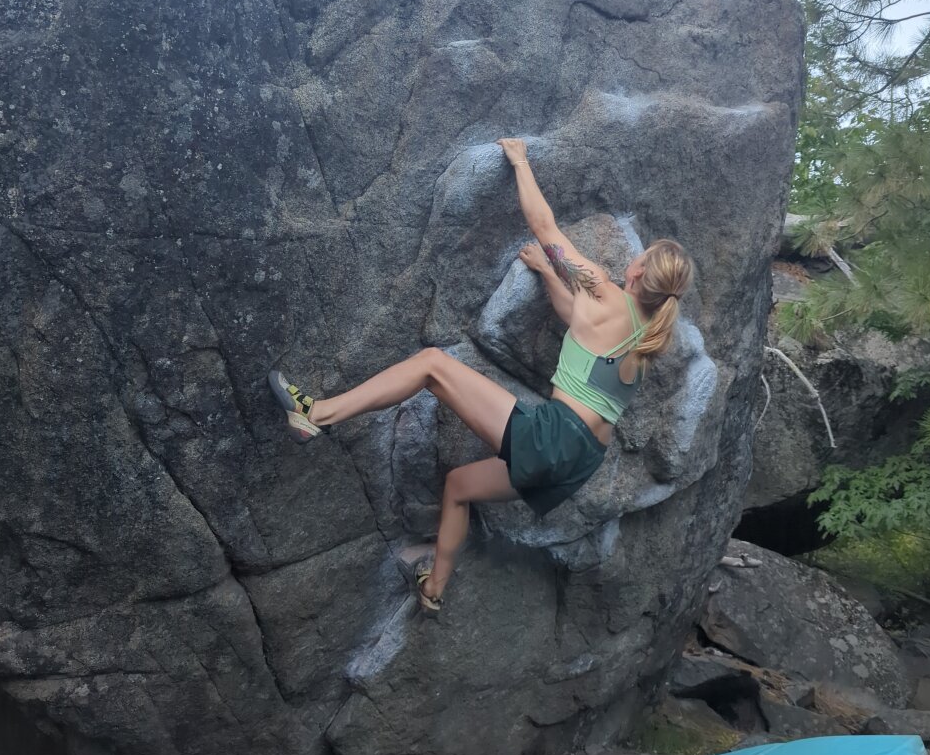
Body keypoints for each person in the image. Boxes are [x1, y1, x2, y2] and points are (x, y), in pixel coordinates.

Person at [268, 139, 693, 616]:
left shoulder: (603, 290)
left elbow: (544, 226)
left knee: (432, 364)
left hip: (552, 438)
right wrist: (547, 274)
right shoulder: (649, 339)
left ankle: (316, 414)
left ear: (639, 269)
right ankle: (434, 589)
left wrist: (520, 162)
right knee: (460, 486)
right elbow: (578, 323)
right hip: (578, 463)